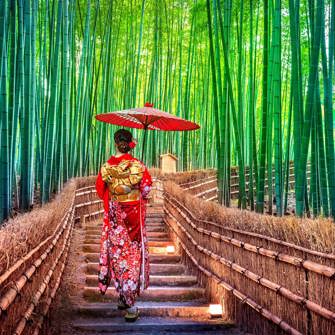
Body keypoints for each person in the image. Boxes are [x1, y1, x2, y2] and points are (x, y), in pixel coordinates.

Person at [95, 128, 152, 322]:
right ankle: (130, 305)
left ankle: (122, 295)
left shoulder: (106, 166)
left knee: (116, 253)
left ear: (115, 142)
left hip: (114, 216)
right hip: (133, 217)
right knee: (131, 256)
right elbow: (146, 189)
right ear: (129, 143)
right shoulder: (138, 165)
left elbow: (100, 190)